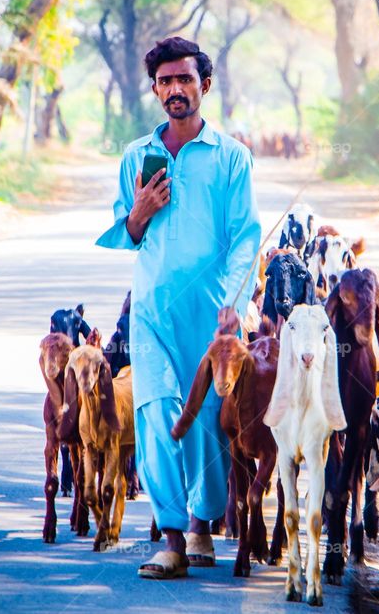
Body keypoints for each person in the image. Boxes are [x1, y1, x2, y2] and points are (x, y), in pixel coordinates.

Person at [95, 36, 261, 579]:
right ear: (155, 89)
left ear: (204, 86)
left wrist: (235, 302)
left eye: (184, 79)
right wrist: (140, 209)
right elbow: (129, 232)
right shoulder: (135, 157)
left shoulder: (231, 157)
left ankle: (201, 526)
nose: (174, 90)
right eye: (164, 81)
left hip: (212, 315)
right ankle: (169, 536)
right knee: (156, 413)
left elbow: (244, 237)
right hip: (151, 310)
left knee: (209, 418)